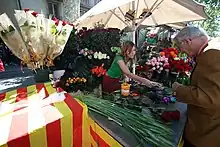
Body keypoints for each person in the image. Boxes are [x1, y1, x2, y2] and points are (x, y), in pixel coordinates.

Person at [172, 26, 220, 147]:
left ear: (187, 41)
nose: (182, 51)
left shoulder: (212, 54)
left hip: (206, 132)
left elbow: (210, 97)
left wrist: (179, 90)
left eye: (180, 47)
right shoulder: (208, 52)